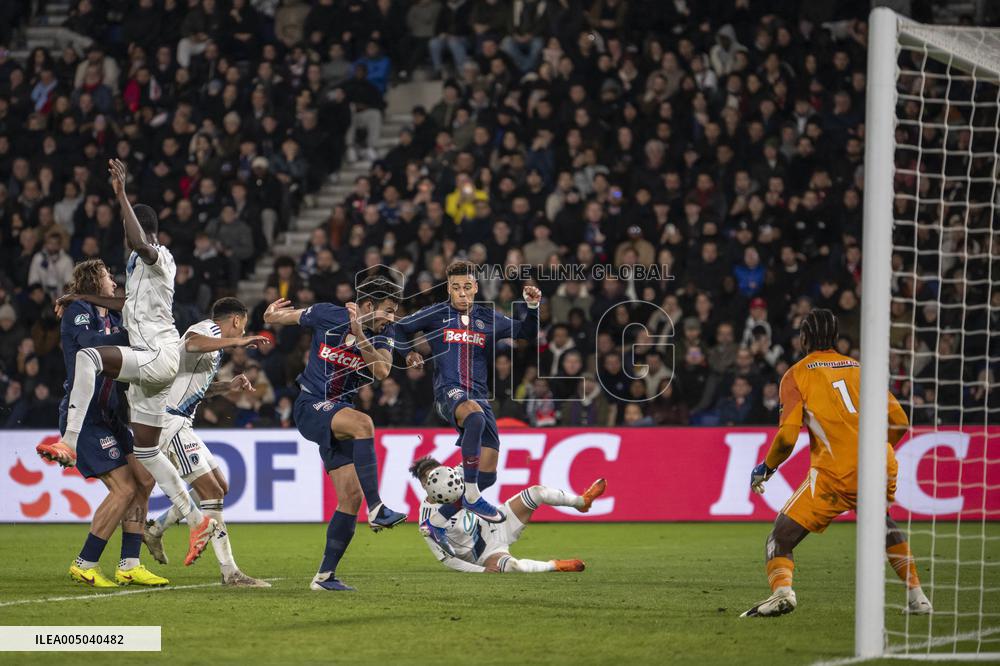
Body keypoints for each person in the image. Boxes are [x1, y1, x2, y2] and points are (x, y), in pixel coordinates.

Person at [39, 158, 216, 568]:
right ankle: (195, 520)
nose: (125, 236)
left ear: (138, 227)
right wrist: (79, 297)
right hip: (156, 363)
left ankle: (68, 442)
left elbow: (141, 243)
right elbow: (123, 303)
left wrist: (121, 196)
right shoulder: (136, 271)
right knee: (148, 456)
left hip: (156, 355)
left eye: (127, 227)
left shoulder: (158, 255)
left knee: (88, 357)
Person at [742, 309, 932, 617]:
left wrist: (767, 467)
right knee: (881, 522)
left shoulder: (796, 375)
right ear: (835, 338)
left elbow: (787, 438)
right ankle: (917, 597)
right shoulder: (860, 369)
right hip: (880, 463)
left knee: (780, 537)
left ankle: (782, 593)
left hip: (834, 472)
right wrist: (874, 450)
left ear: (804, 338)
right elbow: (900, 421)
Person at [263, 277, 408, 591]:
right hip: (311, 405)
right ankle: (378, 508)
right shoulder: (328, 314)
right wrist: (271, 313)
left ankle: (324, 576)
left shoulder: (385, 333)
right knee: (364, 424)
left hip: (339, 414)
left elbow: (382, 371)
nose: (391, 317)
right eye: (387, 310)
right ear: (367, 305)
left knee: (350, 497)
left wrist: (360, 335)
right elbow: (278, 318)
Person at [395, 259, 541, 554]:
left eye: (466, 287)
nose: (461, 293)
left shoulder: (488, 318)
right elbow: (398, 328)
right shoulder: (436, 314)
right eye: (455, 287)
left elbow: (526, 332)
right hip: (447, 393)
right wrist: (408, 354)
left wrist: (533, 307)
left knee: (488, 473)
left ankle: (437, 521)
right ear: (448, 289)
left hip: (479, 397)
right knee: (473, 417)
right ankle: (472, 496)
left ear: (475, 287)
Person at [55, 259, 168, 588]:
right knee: (124, 488)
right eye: (108, 278)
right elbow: (89, 345)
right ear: (94, 282)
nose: (114, 283)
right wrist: (128, 335)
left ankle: (130, 565)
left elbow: (132, 311)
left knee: (144, 480)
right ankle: (85, 563)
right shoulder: (79, 310)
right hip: (86, 416)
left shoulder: (114, 315)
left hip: (112, 415)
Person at [142, 297, 271, 587]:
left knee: (220, 486)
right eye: (242, 327)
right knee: (211, 491)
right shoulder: (207, 329)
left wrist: (228, 385)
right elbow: (191, 343)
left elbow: (200, 388)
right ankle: (230, 572)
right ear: (236, 320)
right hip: (171, 422)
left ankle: (155, 528)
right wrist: (238, 341)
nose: (242, 332)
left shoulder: (213, 347)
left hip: (182, 423)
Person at [411, 456, 605, 573]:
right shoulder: (428, 520)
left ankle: (582, 502)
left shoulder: (457, 477)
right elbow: (447, 559)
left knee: (537, 492)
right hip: (484, 554)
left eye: (436, 474)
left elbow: (484, 458)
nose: (434, 480)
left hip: (496, 523)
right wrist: (481, 570)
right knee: (514, 567)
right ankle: (556, 565)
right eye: (427, 479)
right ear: (423, 485)